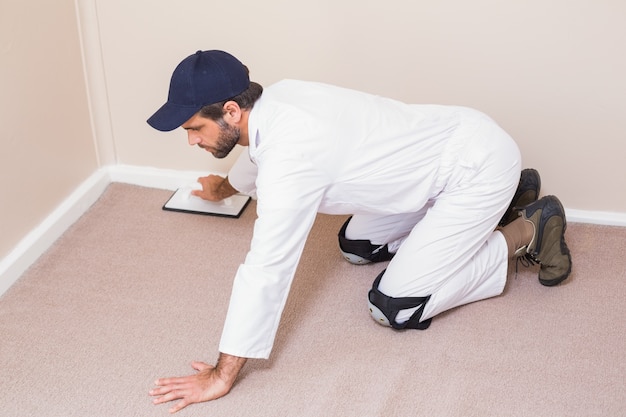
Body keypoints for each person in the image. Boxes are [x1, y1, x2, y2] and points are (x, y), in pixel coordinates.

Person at [146, 50, 572, 413]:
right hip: (454, 145)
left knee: (394, 305)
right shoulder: (277, 99)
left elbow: (267, 269)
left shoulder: (291, 158)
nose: (191, 141)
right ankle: (512, 191)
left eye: (194, 129)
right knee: (355, 244)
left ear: (232, 111)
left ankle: (527, 229)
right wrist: (222, 188)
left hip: (474, 168)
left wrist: (223, 374)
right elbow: (258, 157)